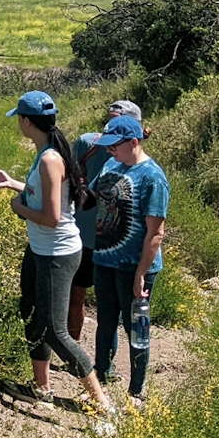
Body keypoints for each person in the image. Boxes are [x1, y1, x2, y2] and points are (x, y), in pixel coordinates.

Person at [0, 91, 116, 426]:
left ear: (26, 121)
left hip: (57, 254)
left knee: (57, 332)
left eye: (19, 117)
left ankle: (101, 402)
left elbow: (52, 217)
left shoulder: (49, 158)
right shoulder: (48, 151)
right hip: (40, 250)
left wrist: (18, 209)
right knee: (31, 315)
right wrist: (13, 184)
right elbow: (51, 195)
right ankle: (41, 388)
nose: (19, 122)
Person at [88, 114, 170, 410]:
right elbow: (90, 194)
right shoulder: (112, 164)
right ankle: (101, 376)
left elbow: (155, 233)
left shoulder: (153, 178)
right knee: (105, 322)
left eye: (115, 146)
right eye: (107, 146)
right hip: (105, 259)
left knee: (136, 328)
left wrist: (141, 273)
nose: (110, 152)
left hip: (134, 267)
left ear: (134, 143)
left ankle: (135, 392)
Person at [68, 100, 143, 349]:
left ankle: (109, 367)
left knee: (113, 308)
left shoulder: (140, 163)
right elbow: (71, 183)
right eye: (109, 121)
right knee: (75, 295)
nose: (111, 127)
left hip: (116, 245)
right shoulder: (87, 144)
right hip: (85, 236)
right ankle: (73, 355)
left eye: (119, 123)